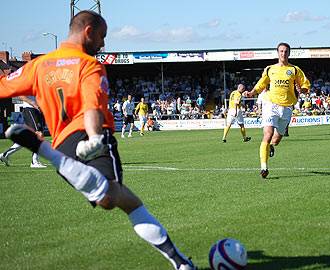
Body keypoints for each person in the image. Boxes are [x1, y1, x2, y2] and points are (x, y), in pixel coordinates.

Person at [0, 10, 196, 270]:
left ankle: (50, 154)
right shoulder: (88, 64)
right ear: (88, 32)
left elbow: (3, 85)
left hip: (63, 144)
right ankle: (181, 264)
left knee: (108, 197)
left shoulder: (38, 65)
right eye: (102, 36)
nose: (103, 44)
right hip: (90, 136)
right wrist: (93, 138)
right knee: (118, 197)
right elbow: (92, 106)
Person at [243, 42, 310, 179]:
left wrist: (302, 90)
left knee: (277, 139)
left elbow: (305, 85)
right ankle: (264, 167)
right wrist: (251, 93)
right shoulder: (270, 69)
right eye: (281, 51)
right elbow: (261, 83)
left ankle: (272, 146)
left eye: (285, 51)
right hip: (270, 105)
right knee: (267, 134)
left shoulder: (295, 70)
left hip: (286, 108)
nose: (283, 53)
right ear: (277, 53)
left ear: (289, 53)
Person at [0, 96, 46, 168]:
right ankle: (34, 162)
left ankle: (5, 154)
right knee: (38, 134)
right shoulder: (27, 85)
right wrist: (33, 103)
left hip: (36, 109)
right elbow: (21, 96)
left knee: (29, 138)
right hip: (30, 109)